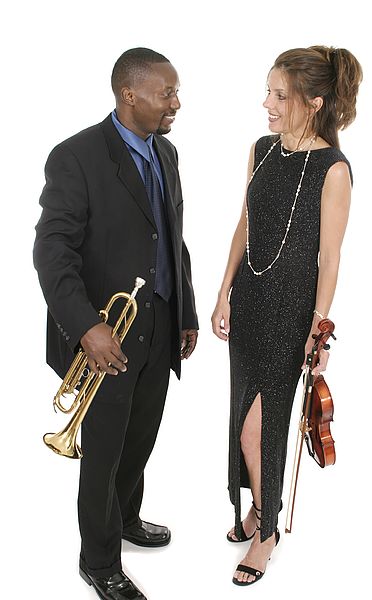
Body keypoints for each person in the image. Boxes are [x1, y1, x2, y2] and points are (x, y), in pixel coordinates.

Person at [34, 47, 198, 600]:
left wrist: (186, 311)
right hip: (103, 337)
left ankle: (126, 519)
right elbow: (52, 250)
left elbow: (173, 240)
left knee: (140, 439)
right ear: (129, 95)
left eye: (175, 92)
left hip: (157, 327)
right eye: (166, 93)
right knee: (102, 454)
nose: (176, 103)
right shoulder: (75, 156)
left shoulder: (166, 152)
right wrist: (85, 326)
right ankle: (99, 560)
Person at [211, 45, 362, 586]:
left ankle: (267, 529)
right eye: (269, 92)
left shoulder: (333, 168)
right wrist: (224, 290)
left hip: (290, 315)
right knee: (243, 420)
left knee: (262, 429)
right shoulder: (260, 149)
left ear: (314, 103)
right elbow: (244, 223)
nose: (267, 103)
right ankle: (258, 505)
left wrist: (319, 329)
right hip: (249, 304)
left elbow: (329, 257)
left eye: (280, 95)